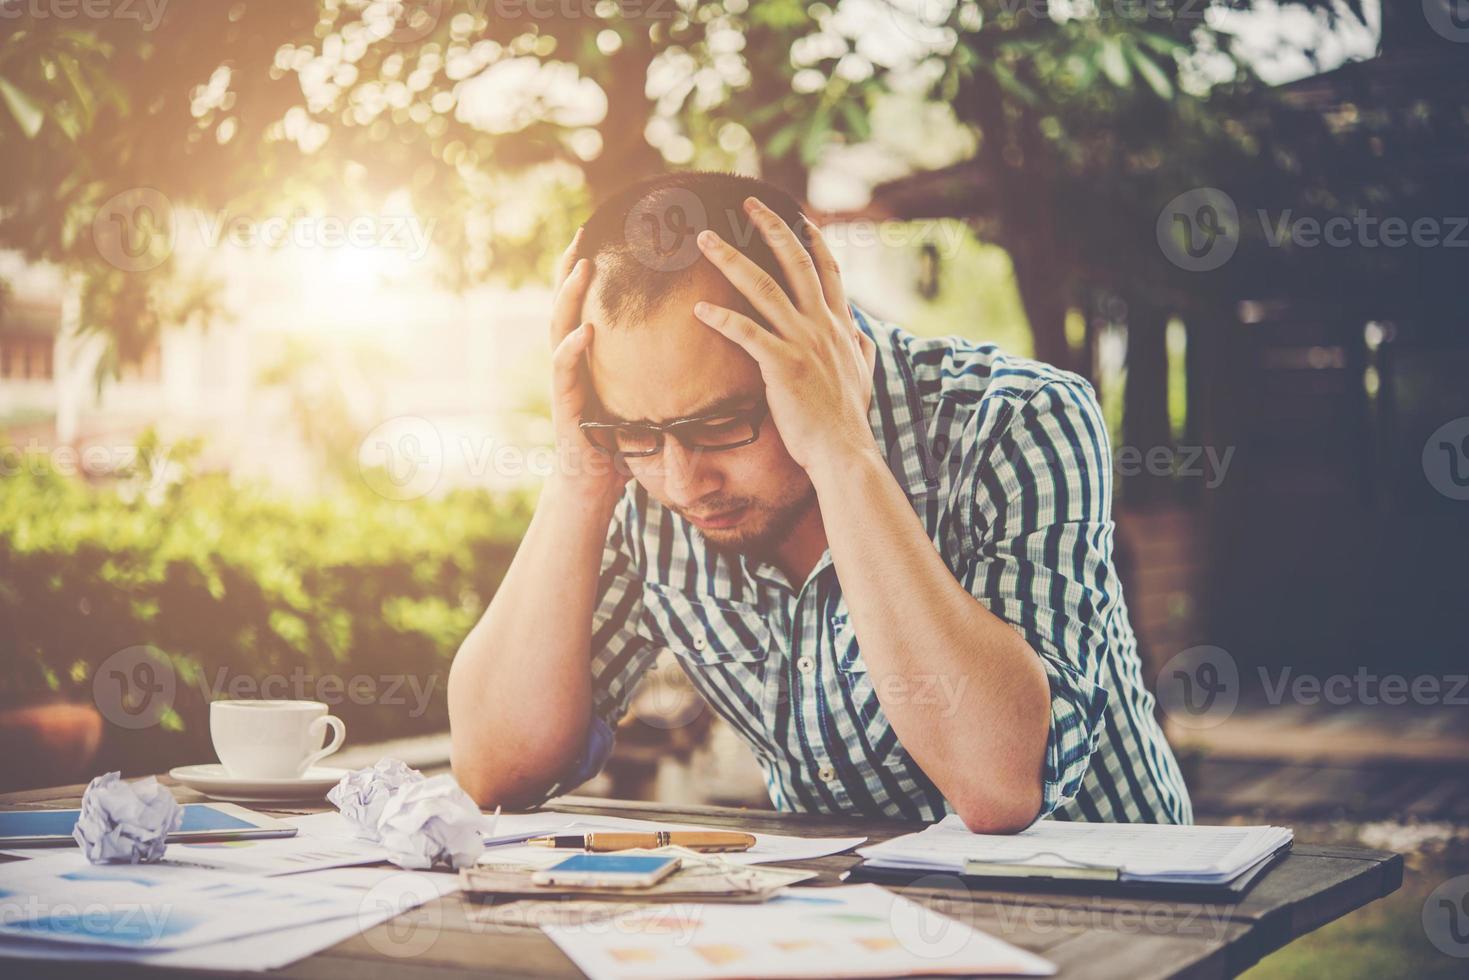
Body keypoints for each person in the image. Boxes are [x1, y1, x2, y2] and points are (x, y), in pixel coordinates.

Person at [448, 171, 1191, 831]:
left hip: (1120, 921)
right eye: (637, 431)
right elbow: (495, 770)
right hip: (844, 923)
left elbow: (999, 787)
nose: (682, 481)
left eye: (719, 424)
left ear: (817, 344)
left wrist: (842, 450)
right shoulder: (628, 472)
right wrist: (580, 474)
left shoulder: (1017, 418)